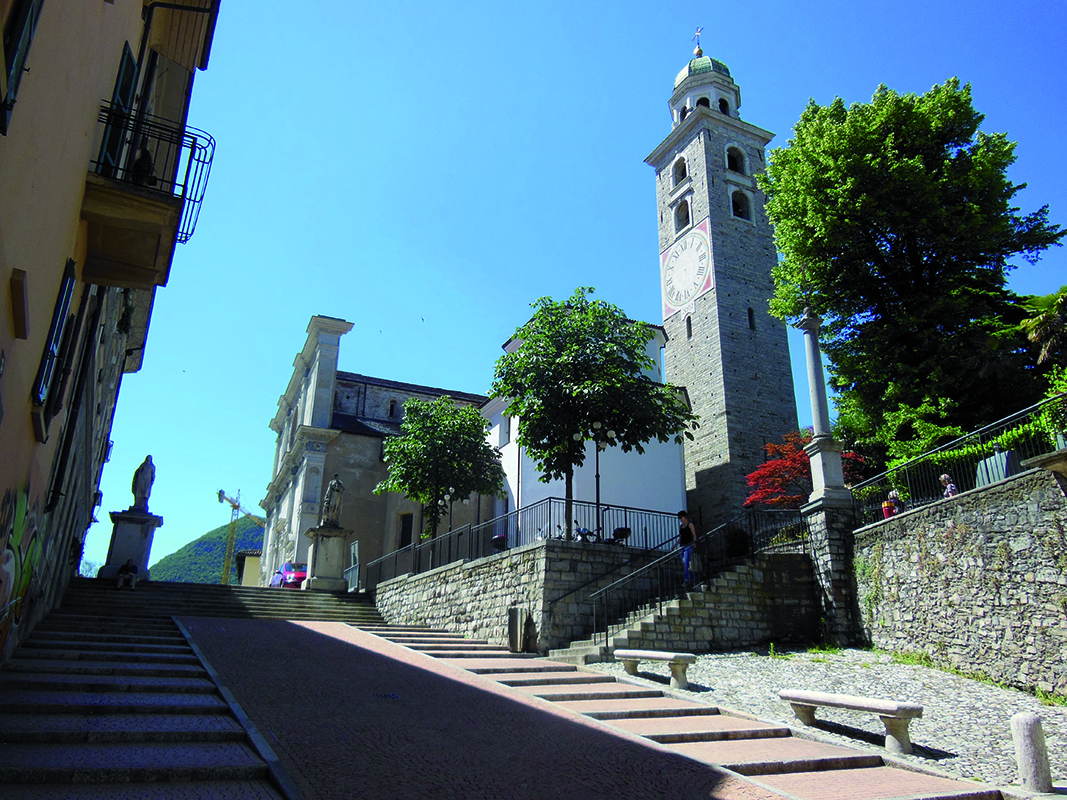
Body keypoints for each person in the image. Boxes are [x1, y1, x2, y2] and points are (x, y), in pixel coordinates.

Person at [677, 511, 697, 585]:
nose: (680, 519)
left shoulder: (690, 524)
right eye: (679, 518)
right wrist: (675, 545)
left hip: (688, 545)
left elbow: (694, 534)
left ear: (685, 517)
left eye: (681, 517)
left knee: (686, 562)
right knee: (685, 562)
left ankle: (686, 579)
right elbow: (680, 537)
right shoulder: (681, 527)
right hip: (682, 546)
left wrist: (694, 542)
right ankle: (693, 576)